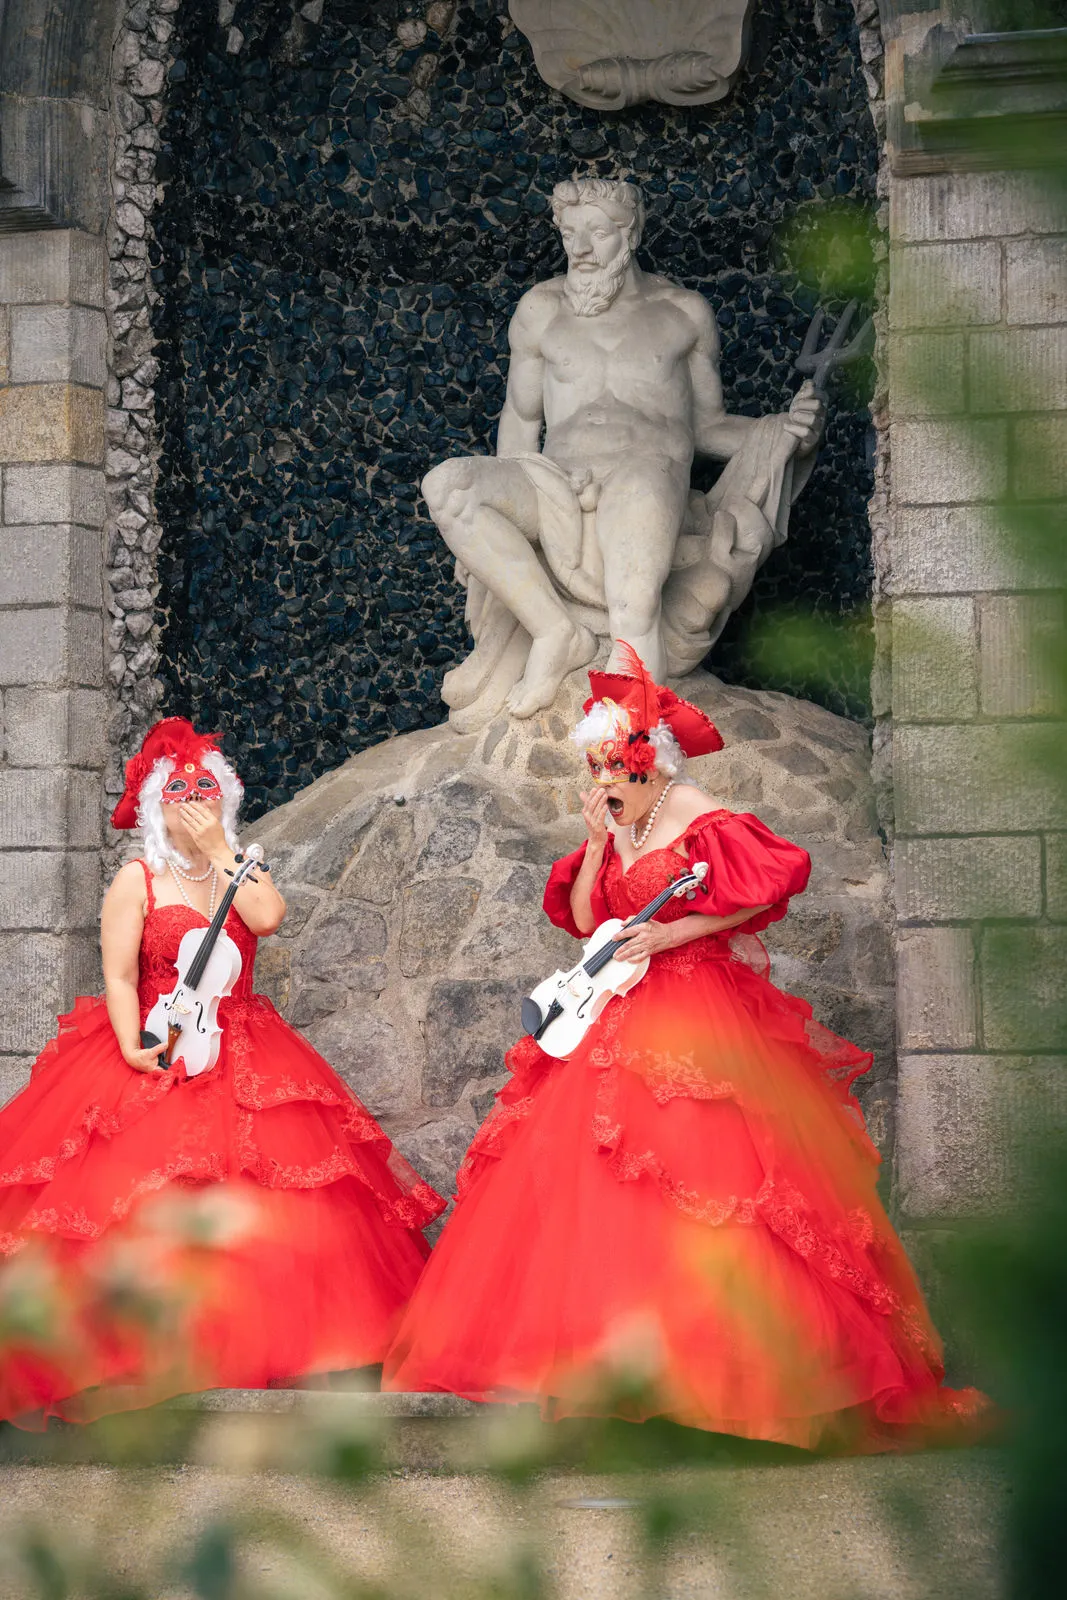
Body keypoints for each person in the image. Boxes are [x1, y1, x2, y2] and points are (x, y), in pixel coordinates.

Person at [384, 648, 988, 1451]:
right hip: (612, 1014)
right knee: (589, 1181)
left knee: (716, 1178)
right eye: (593, 765)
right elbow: (575, 913)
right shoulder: (613, 819)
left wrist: (672, 929)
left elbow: (770, 883)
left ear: (646, 760)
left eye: (611, 764)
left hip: (698, 1004)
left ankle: (731, 1384)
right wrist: (597, 842)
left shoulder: (692, 807)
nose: (601, 776)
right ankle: (611, 1380)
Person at [0, 718, 443, 1428]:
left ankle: (268, 1352)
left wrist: (220, 849)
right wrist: (130, 1043)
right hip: (155, 1042)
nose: (192, 799)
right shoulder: (136, 878)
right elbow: (116, 976)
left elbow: (266, 918)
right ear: (155, 804)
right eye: (177, 790)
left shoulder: (245, 869)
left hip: (244, 1045)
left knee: (274, 1197)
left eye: (205, 788)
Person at [422, 176, 825, 724]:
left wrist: (785, 430)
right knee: (448, 486)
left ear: (630, 232)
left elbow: (709, 428)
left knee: (635, 602)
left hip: (646, 475)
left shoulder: (682, 313)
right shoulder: (540, 312)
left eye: (598, 234)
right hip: (555, 482)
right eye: (569, 235)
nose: (581, 251)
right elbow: (518, 429)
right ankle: (554, 632)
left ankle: (631, 746)